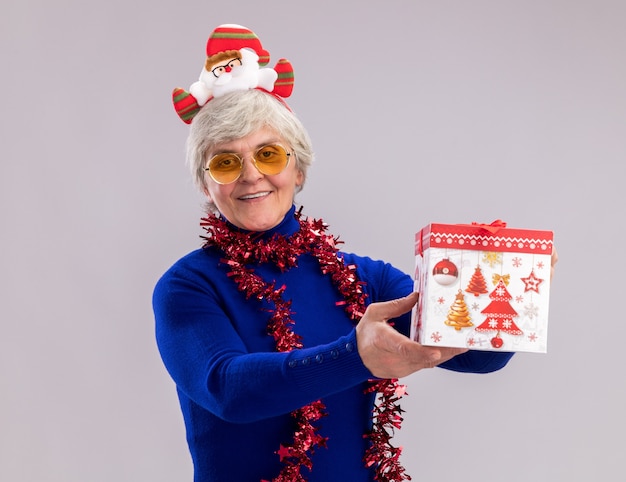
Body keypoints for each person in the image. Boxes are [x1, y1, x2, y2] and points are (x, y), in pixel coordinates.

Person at [153, 24, 557, 482]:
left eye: (268, 155)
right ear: (206, 183)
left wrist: (504, 281)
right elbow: (228, 389)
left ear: (298, 168)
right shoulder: (187, 286)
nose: (250, 175)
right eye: (225, 162)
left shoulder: (364, 281)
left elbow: (475, 357)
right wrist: (356, 357)